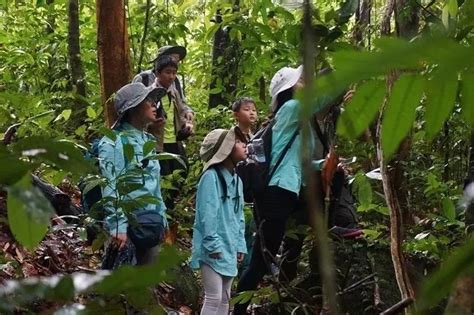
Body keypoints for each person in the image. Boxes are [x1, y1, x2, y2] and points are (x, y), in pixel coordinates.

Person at [234, 65, 331, 314]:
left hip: (290, 191)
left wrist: (326, 164)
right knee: (261, 260)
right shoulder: (290, 110)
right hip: (276, 193)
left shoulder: (298, 121)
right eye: (300, 82)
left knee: (268, 256)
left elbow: (302, 162)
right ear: (288, 90)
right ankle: (237, 309)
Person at [98, 82, 167, 267]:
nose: (155, 105)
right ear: (133, 107)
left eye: (155, 100)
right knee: (120, 286)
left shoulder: (148, 141)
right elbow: (111, 184)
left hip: (150, 223)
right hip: (126, 227)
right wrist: (118, 226)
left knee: (145, 285)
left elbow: (154, 185)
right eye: (149, 100)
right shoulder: (114, 142)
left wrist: (162, 218)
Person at [190, 127, 248, 315]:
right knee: (213, 297)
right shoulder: (211, 178)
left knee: (225, 298)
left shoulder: (237, 180)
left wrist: (240, 244)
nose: (244, 145)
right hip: (213, 247)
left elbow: (239, 216)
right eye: (238, 142)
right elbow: (207, 215)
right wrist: (212, 245)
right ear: (227, 149)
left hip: (230, 245)